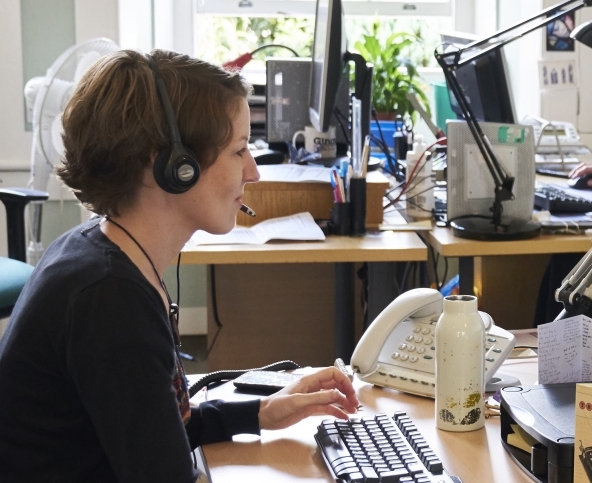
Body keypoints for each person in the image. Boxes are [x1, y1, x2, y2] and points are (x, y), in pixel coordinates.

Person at [0, 49, 359, 482]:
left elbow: (163, 425)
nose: (254, 173)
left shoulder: (103, 253)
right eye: (239, 151)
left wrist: (264, 410)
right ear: (173, 167)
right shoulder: (108, 299)